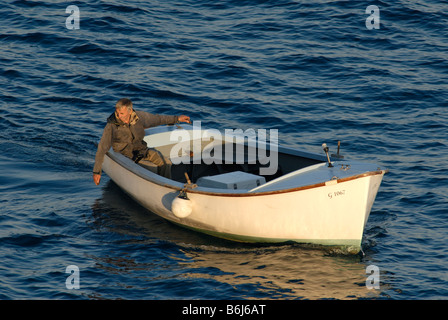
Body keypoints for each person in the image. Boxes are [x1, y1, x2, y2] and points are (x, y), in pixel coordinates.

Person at [93, 98, 190, 185]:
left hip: (142, 150)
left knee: (166, 162)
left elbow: (158, 119)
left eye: (121, 113)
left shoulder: (139, 117)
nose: (118, 116)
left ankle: (167, 185)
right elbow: (102, 147)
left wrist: (177, 119)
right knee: (151, 168)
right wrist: (97, 171)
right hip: (126, 155)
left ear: (130, 111)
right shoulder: (112, 125)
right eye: (117, 113)